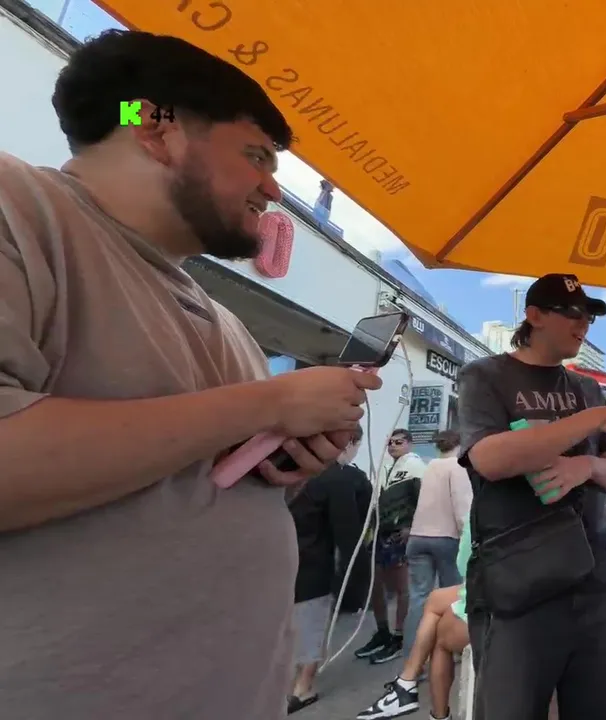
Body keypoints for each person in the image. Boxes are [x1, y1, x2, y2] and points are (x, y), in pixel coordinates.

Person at [0, 30, 382, 719]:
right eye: (257, 155)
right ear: (155, 127)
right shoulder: (19, 206)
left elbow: (195, 486)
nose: (273, 189)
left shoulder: (223, 320)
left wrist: (286, 456)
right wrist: (266, 404)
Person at [456, 273, 606, 720]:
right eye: (571, 313)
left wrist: (584, 466)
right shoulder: (485, 376)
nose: (583, 324)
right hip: (520, 581)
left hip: (601, 580)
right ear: (533, 316)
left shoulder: (586, 388)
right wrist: (592, 420)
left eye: (589, 317)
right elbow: (489, 459)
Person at [286, 427, 373, 713]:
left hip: (282, 562)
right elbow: (348, 533)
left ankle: (288, 682)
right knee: (310, 626)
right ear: (349, 443)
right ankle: (303, 688)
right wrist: (356, 584)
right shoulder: (337, 478)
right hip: (313, 566)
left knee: (287, 628)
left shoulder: (293, 472)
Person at [358, 519, 475, 720]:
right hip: (509, 588)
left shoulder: (486, 508)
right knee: (434, 598)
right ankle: (407, 682)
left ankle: (436, 713)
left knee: (439, 635)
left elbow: (464, 564)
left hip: (501, 601)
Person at [354, 428, 427, 664]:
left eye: (399, 442)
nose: (393, 445)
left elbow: (423, 501)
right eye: (390, 442)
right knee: (376, 584)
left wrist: (411, 527)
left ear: (409, 444)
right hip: (379, 532)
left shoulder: (416, 467)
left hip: (399, 534)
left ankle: (399, 636)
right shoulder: (385, 466)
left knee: (401, 587)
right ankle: (383, 631)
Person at [404, 429, 472, 648]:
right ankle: (446, 648)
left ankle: (413, 652)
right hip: (446, 538)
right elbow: (462, 509)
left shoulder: (430, 466)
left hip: (417, 537)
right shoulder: (458, 467)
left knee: (419, 597)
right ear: (459, 445)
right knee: (451, 597)